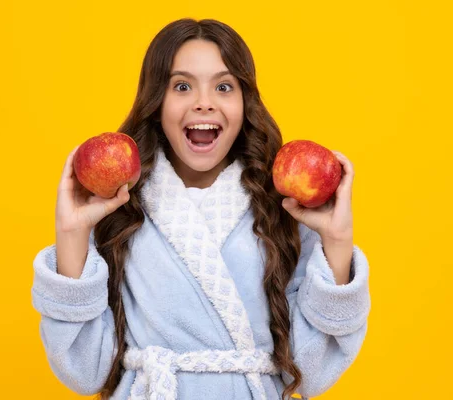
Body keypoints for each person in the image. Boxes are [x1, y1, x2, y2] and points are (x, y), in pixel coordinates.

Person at [31, 18, 371, 400]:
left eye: (224, 86)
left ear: (245, 103)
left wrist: (338, 241)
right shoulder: (119, 207)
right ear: (157, 103)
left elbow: (314, 371)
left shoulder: (284, 209)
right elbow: (84, 371)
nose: (204, 101)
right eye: (182, 86)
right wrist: (72, 235)